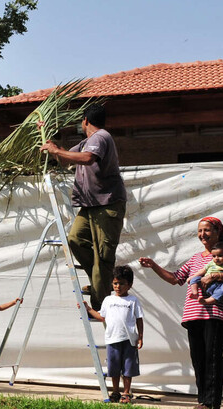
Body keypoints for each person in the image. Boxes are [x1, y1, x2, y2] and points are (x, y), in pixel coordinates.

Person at [139, 216, 223, 409]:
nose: (202, 235)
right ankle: (202, 401)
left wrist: (214, 275)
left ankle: (212, 403)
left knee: (212, 356)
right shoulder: (195, 259)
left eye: (206, 230)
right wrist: (153, 265)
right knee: (198, 358)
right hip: (193, 313)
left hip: (215, 312)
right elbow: (175, 279)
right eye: (199, 231)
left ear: (218, 232)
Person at [41, 103, 127, 310]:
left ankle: (100, 304)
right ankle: (100, 283)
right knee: (75, 240)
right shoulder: (86, 143)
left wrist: (55, 149)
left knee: (103, 255)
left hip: (107, 203)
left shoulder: (100, 137)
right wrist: (46, 140)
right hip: (89, 205)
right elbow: (63, 157)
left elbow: (88, 159)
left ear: (86, 120)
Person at [81, 265, 144, 404]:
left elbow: (139, 319)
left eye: (122, 283)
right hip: (112, 339)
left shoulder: (133, 301)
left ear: (129, 285)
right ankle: (115, 391)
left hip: (129, 340)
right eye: (115, 283)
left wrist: (140, 336)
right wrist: (88, 308)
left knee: (128, 368)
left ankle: (126, 392)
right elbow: (101, 316)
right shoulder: (108, 300)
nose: (118, 286)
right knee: (114, 367)